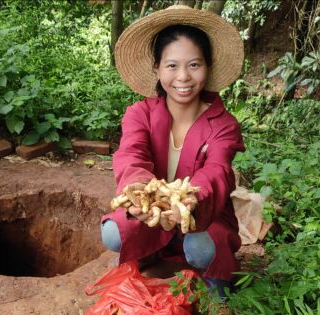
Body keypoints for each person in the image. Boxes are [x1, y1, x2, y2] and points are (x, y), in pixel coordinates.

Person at [101, 5, 245, 299]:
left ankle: (215, 281)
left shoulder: (224, 124)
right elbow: (131, 155)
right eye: (171, 66)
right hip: (151, 207)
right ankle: (154, 255)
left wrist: (191, 202)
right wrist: (139, 190)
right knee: (114, 232)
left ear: (208, 67)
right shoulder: (139, 114)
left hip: (206, 212)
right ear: (156, 69)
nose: (183, 77)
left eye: (194, 65)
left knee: (202, 248)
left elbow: (217, 171)